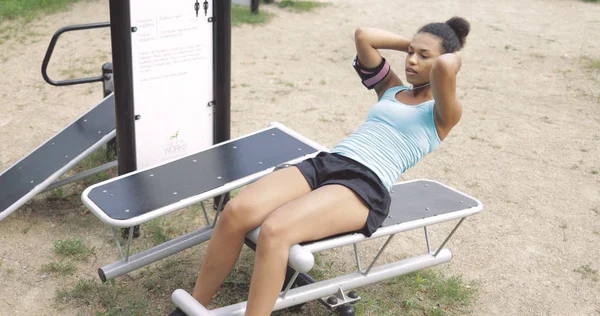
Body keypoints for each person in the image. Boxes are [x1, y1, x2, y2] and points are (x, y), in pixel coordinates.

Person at [177, 16, 470, 316]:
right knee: (236, 212)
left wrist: (451, 50)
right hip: (329, 163)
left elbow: (446, 68)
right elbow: (363, 35)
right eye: (410, 52)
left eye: (423, 56)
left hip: (364, 186)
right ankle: (193, 306)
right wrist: (412, 43)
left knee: (276, 230)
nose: (411, 60)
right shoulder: (392, 89)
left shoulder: (443, 114)